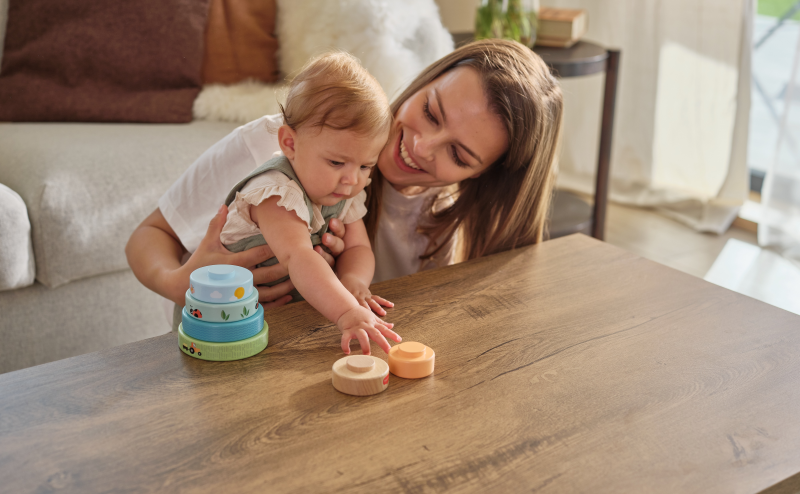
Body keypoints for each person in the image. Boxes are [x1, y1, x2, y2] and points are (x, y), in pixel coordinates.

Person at [126, 39, 564, 346]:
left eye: (459, 155)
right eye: (430, 111)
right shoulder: (274, 148)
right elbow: (148, 236)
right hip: (218, 343)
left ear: (481, 176)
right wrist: (176, 283)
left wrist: (352, 285)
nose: (421, 146)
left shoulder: (442, 216)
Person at [216, 52, 399, 354]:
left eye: (366, 166)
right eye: (337, 162)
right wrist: (345, 312)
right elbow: (298, 257)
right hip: (226, 320)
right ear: (290, 143)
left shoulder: (346, 192)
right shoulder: (275, 193)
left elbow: (357, 247)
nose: (352, 180)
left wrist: (353, 281)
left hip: (287, 318)